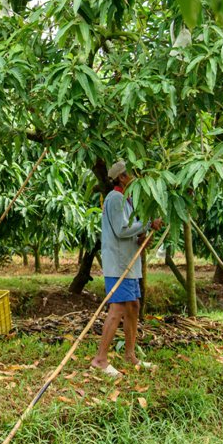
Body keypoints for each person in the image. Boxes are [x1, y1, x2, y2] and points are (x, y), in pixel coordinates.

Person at [90, 160, 162, 377]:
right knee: (118, 307)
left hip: (129, 264)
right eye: (132, 173)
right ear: (122, 177)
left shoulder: (127, 201)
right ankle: (100, 359)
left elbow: (128, 233)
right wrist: (148, 224)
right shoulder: (115, 199)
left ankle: (129, 355)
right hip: (119, 265)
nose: (137, 177)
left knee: (133, 305)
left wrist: (141, 239)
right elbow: (122, 230)